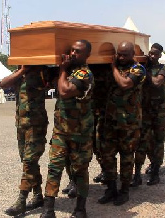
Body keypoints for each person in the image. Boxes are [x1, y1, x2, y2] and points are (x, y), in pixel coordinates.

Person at [41, 40, 94, 218]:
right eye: (71, 50)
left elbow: (64, 91)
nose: (72, 54)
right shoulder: (68, 70)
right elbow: (45, 80)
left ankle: (80, 209)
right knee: (54, 168)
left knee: (79, 170)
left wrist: (62, 70)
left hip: (80, 133)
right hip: (61, 132)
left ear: (87, 55)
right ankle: (48, 210)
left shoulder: (85, 74)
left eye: (77, 51)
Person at [1, 65, 57, 217]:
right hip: (21, 124)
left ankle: (22, 200)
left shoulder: (42, 71)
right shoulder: (19, 73)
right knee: (27, 161)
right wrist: (22, 70)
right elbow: (3, 84)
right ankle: (38, 195)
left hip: (36, 124)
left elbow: (56, 81)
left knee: (29, 161)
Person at [98, 41, 146, 206]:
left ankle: (124, 191)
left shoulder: (139, 69)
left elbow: (125, 84)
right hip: (110, 122)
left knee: (126, 158)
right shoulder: (113, 66)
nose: (121, 57)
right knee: (107, 156)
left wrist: (112, 68)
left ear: (133, 54)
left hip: (129, 124)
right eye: (119, 54)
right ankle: (111, 189)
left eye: (125, 54)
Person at [131, 43, 165, 187]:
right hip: (146, 110)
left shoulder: (163, 68)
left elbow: (156, 83)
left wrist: (142, 71)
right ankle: (137, 175)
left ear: (160, 55)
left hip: (160, 112)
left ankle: (155, 172)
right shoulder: (143, 67)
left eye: (156, 54)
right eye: (151, 53)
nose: (153, 56)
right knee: (142, 142)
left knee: (158, 142)